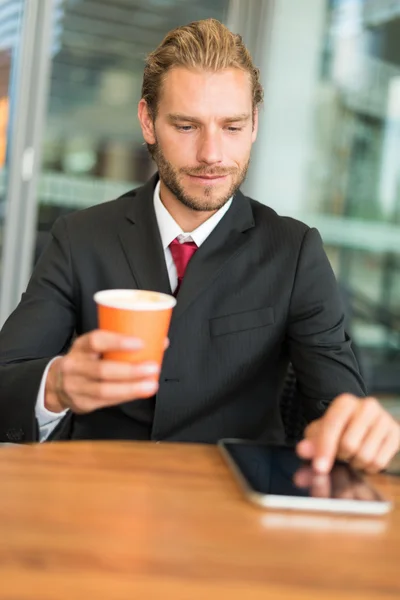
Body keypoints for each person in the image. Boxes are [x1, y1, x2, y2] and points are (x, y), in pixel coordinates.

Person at [0, 19, 398, 474]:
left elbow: (338, 406)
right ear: (148, 122)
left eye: (231, 126)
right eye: (187, 126)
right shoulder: (81, 237)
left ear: (253, 127)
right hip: (99, 496)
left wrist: (355, 428)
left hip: (232, 505)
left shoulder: (294, 253)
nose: (212, 154)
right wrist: (55, 386)